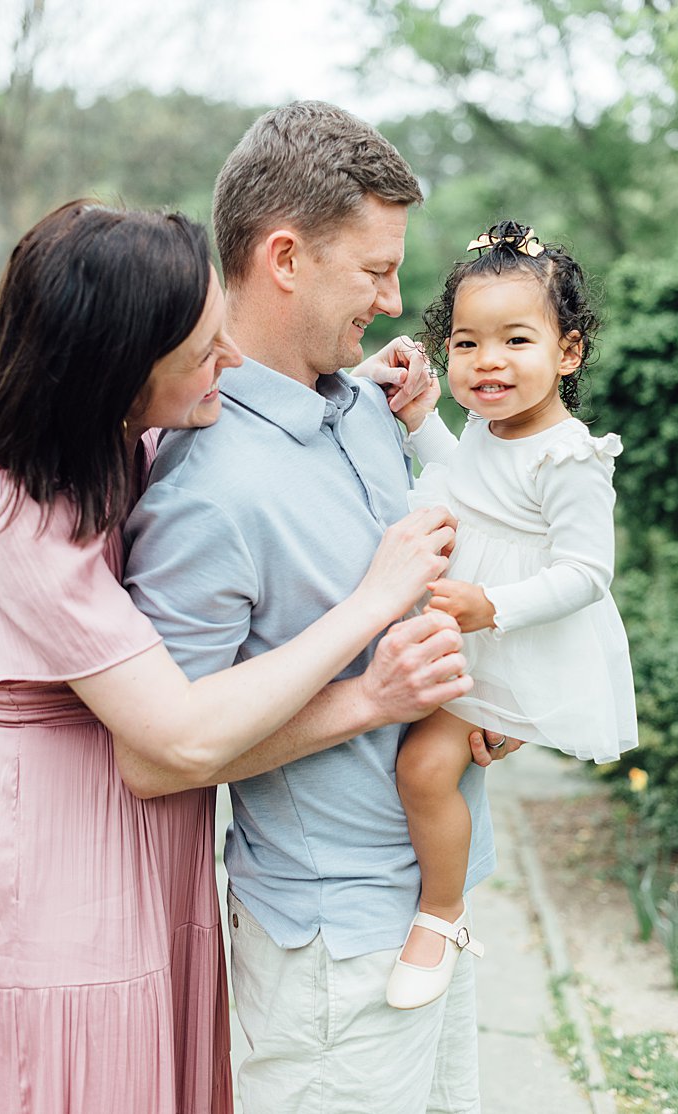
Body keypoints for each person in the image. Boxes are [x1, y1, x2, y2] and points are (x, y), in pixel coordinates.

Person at [0, 201, 470, 1113]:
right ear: (115, 366)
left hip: (164, 859)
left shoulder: (121, 444)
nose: (227, 360)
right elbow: (179, 738)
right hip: (64, 871)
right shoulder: (11, 516)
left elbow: (257, 404)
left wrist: (350, 382)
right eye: (201, 351)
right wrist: (372, 618)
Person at [122, 101, 510, 1113]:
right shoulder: (205, 487)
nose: (392, 301)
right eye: (375, 271)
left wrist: (485, 707)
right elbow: (164, 756)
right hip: (333, 962)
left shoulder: (365, 409)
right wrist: (374, 698)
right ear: (285, 257)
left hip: (438, 910)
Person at [375, 221, 638, 1010]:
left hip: (511, 638)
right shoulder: (488, 431)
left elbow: (590, 573)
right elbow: (467, 489)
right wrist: (422, 421)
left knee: (421, 769)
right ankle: (438, 900)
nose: (488, 362)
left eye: (516, 340)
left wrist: (494, 606)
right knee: (417, 765)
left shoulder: (571, 456)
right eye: (466, 343)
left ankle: (443, 911)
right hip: (472, 628)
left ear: (569, 353)